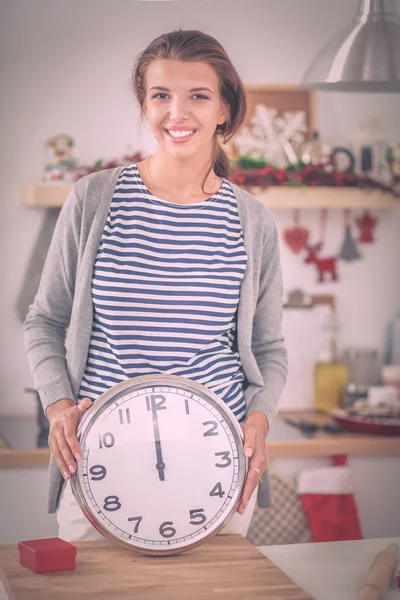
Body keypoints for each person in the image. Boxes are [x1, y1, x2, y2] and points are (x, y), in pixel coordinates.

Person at [24, 29, 287, 542]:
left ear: (224, 111)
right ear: (144, 104)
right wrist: (57, 406)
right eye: (161, 95)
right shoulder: (94, 199)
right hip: (102, 467)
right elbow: (44, 321)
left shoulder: (251, 222)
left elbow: (269, 348)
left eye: (198, 96)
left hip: (217, 470)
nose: (177, 113)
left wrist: (260, 417)